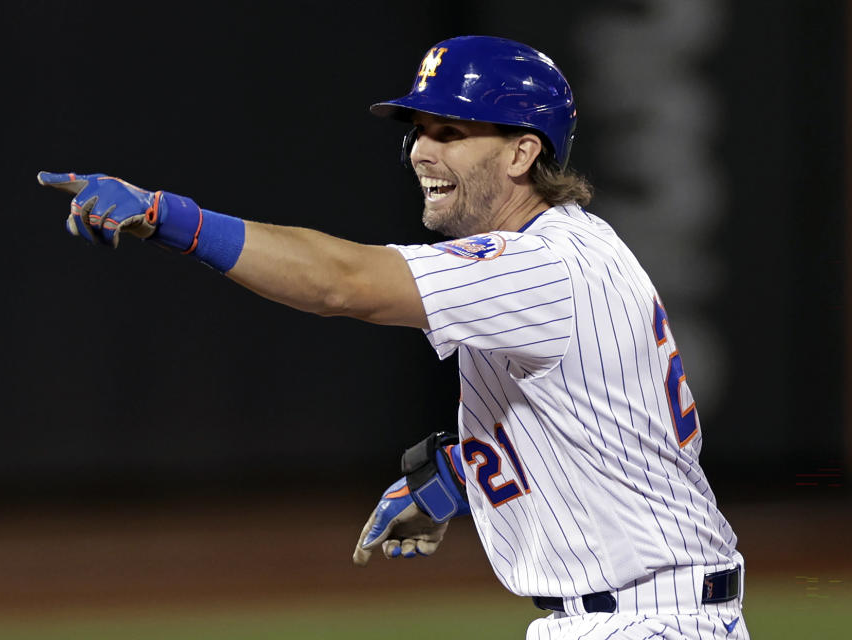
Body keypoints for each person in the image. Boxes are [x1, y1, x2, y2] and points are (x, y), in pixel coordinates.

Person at [39, 35, 748, 640]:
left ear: (521, 154)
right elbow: (594, 421)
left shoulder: (545, 265)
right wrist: (463, 476)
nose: (420, 152)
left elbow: (340, 282)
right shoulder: (564, 251)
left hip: (652, 621)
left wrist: (173, 218)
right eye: (420, 130)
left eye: (451, 132)